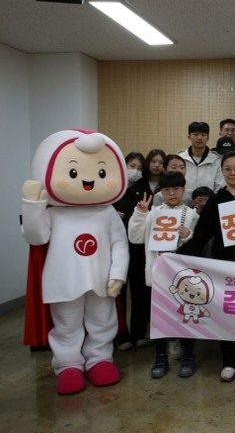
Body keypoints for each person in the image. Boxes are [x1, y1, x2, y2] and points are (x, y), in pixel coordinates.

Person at [21, 130, 129, 395]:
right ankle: (68, 364)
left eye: (101, 173)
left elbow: (120, 244)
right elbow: (36, 237)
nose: (89, 180)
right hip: (63, 279)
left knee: (102, 321)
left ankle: (100, 358)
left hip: (100, 278)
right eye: (72, 172)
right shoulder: (54, 213)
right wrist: (32, 205)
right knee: (66, 325)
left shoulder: (107, 212)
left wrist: (118, 274)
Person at [177, 151, 235, 383]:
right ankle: (230, 361)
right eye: (227, 169)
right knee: (226, 313)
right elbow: (202, 235)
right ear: (222, 171)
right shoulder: (216, 199)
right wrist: (177, 256)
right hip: (223, 266)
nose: (232, 173)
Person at [127, 171, 200, 379]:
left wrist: (189, 236)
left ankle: (188, 355)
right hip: (158, 273)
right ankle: (160, 356)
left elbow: (198, 244)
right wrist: (140, 213)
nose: (172, 193)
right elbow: (135, 238)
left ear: (184, 190)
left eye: (176, 189)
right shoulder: (152, 213)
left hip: (183, 276)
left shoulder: (192, 214)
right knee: (159, 318)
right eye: (166, 190)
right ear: (161, 192)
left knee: (186, 315)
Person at [112, 152, 149, 350]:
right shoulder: (112, 189)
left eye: (140, 168)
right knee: (118, 291)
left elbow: (144, 218)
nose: (135, 171)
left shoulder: (144, 191)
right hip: (115, 248)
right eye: (132, 166)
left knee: (139, 291)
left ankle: (139, 333)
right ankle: (120, 334)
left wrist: (125, 217)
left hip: (138, 249)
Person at [178, 121, 225, 191]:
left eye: (203, 135)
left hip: (210, 198)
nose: (199, 138)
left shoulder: (216, 160)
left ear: (208, 138)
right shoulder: (180, 159)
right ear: (189, 137)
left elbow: (220, 187)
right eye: (195, 134)